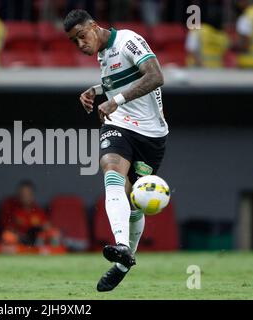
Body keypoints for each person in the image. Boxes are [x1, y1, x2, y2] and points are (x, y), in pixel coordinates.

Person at [64, 9, 168, 292]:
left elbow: (156, 76)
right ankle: (121, 244)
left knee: (135, 201)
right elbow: (121, 78)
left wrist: (116, 100)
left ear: (94, 27)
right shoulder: (102, 54)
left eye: (82, 36)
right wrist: (97, 90)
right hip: (119, 125)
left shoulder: (128, 40)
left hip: (150, 134)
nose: (80, 44)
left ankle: (123, 263)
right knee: (111, 169)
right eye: (74, 41)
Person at [0, 181, 62, 252]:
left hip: (37, 241)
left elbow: (47, 226)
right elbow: (7, 228)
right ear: (18, 195)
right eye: (22, 194)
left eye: (27, 194)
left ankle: (52, 251)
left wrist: (45, 229)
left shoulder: (38, 211)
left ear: (32, 195)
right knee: (8, 236)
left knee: (54, 233)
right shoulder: (11, 209)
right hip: (19, 240)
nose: (25, 196)